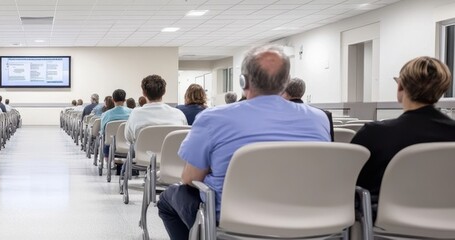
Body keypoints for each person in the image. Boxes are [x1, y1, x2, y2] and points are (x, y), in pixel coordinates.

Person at [158, 45, 330, 239]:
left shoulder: (213, 118)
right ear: (286, 82)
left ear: (243, 81)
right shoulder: (319, 118)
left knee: (168, 200)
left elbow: (190, 179)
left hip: (233, 218)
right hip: (310, 215)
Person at [352, 56, 455, 220]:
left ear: (400, 86)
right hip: (449, 219)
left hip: (386, 220)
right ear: (441, 91)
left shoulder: (373, 134)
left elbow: (349, 183)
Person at [124, 75, 188, 142]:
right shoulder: (178, 114)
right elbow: (184, 138)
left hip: (143, 152)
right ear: (164, 92)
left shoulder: (135, 114)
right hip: (171, 152)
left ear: (143, 93)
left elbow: (128, 138)